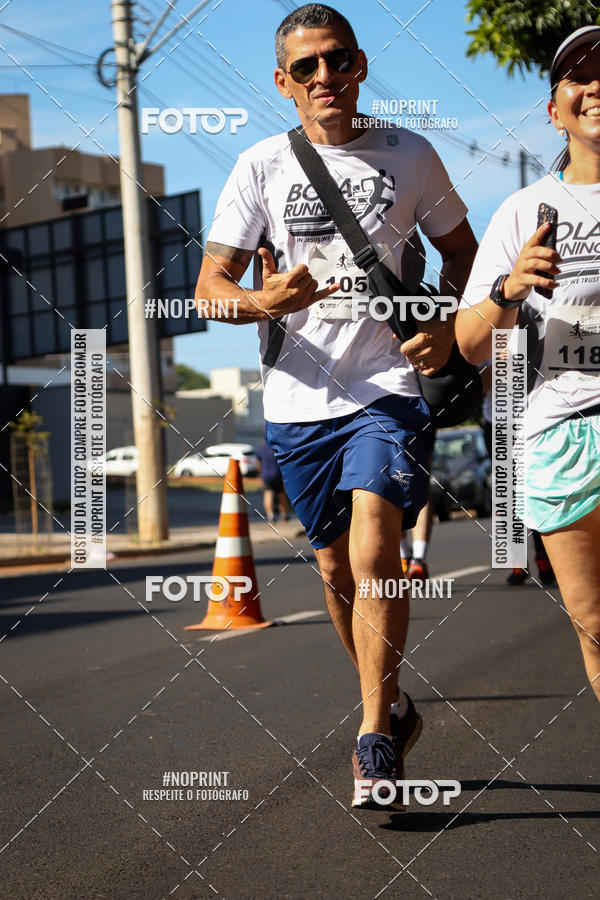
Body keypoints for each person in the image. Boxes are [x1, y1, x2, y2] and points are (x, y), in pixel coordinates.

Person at [195, 3, 478, 805]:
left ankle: (374, 740)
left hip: (384, 386)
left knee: (374, 549)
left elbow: (462, 252)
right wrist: (262, 302)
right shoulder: (259, 167)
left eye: (340, 60)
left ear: (359, 66)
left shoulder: (409, 154)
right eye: (307, 67)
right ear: (284, 82)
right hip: (297, 393)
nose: (327, 77)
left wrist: (448, 327)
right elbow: (208, 291)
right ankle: (389, 700)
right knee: (332, 566)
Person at [456, 26, 600, 703]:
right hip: (561, 436)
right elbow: (468, 343)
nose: (595, 85)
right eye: (578, 76)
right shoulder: (521, 213)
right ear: (554, 108)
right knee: (595, 625)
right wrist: (507, 291)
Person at [256, 435, 289, 522]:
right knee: (281, 495)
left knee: (268, 494)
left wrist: (261, 473)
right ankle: (284, 515)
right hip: (277, 474)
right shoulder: (276, 447)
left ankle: (271, 515)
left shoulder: (261, 448)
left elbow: (258, 462)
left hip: (266, 475)